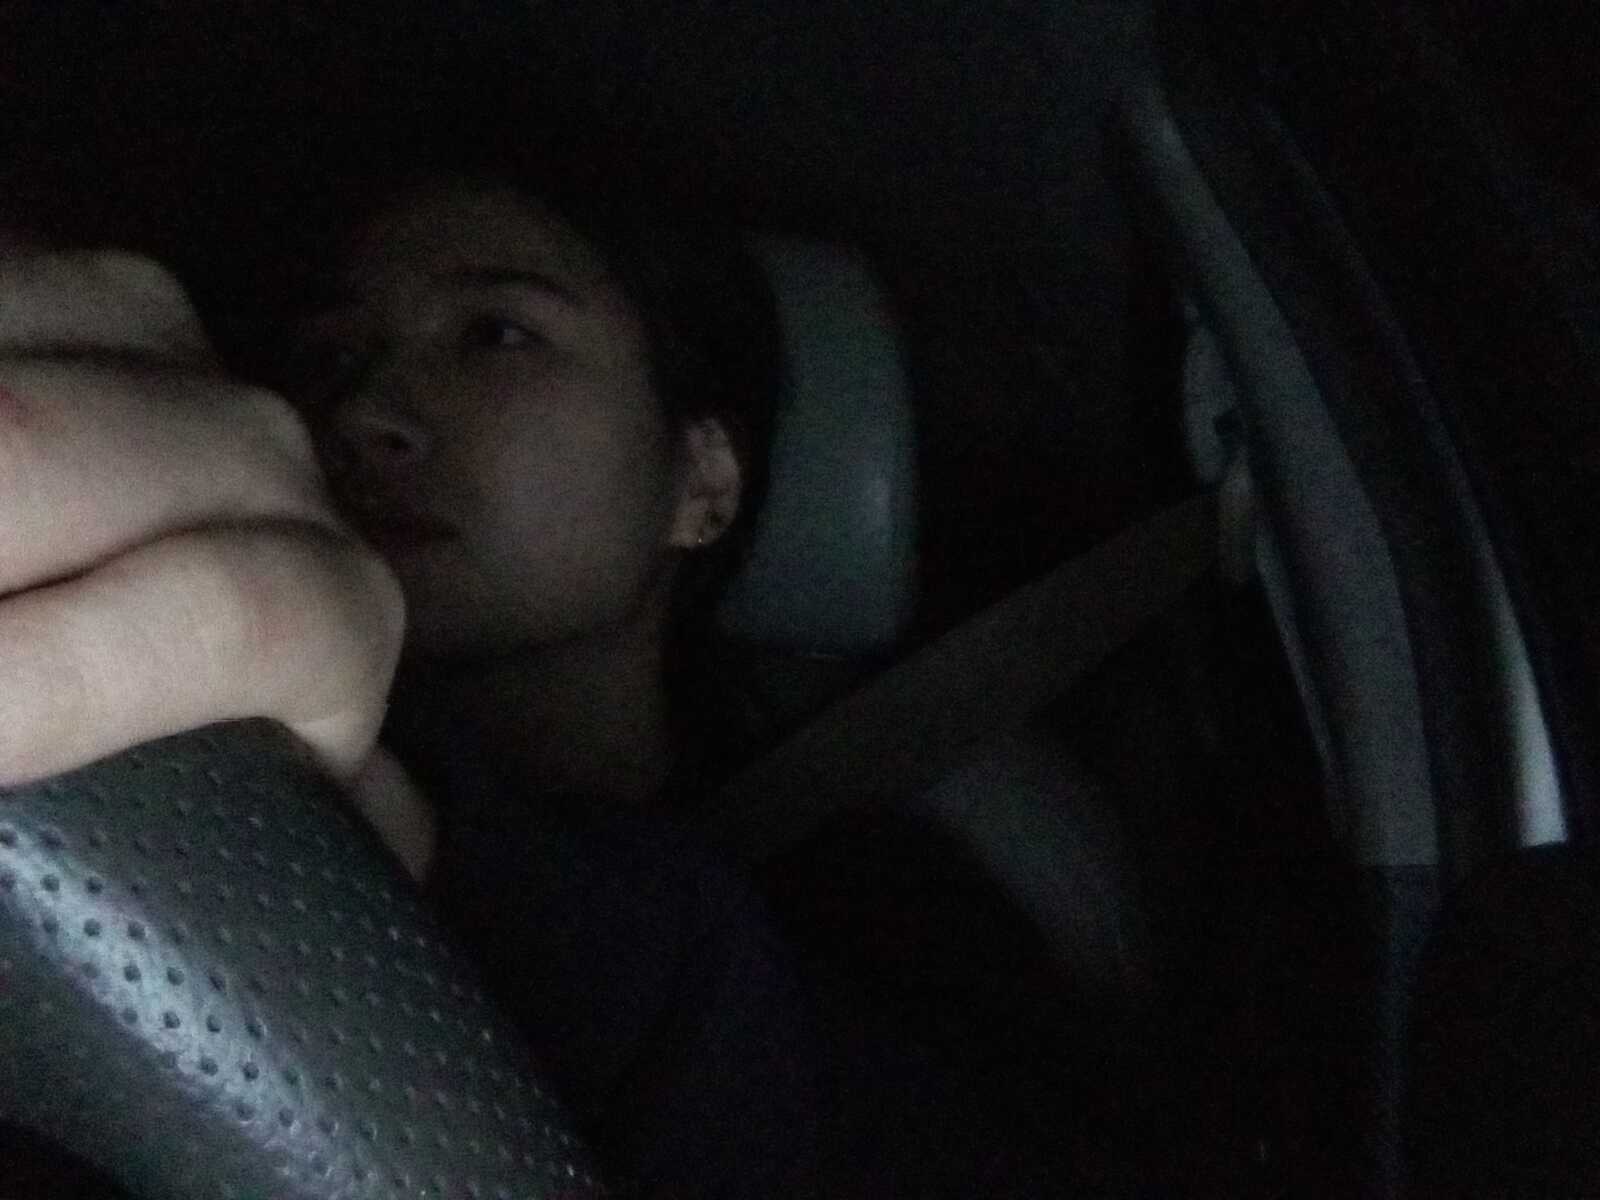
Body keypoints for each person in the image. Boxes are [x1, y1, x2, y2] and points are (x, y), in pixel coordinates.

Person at [0, 146, 825, 1192]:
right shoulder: (147, 755)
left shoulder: (885, 905)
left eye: (496, 336)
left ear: (703, 483)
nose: (362, 414)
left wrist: (398, 848)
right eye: (332, 355)